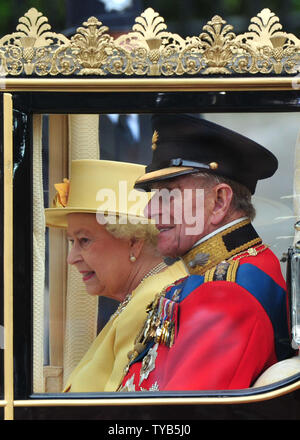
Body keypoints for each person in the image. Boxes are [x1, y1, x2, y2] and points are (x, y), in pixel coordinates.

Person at [119, 113, 294, 392]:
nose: (149, 211)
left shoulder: (227, 294)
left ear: (219, 202)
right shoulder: (236, 271)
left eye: (168, 194)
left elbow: (179, 420)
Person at [45, 159, 187, 392]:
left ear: (133, 242)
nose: (72, 258)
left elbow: (119, 412)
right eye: (72, 242)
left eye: (84, 241)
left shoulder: (150, 300)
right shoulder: (145, 291)